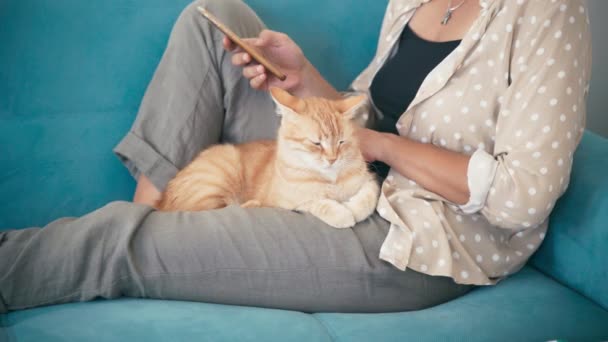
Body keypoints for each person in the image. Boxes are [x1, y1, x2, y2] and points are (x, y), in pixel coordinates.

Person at [0, 0, 591, 314]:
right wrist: (301, 77)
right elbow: (369, 116)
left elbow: (523, 197)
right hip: (343, 167)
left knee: (125, 246)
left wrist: (378, 146)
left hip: (412, 238)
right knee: (212, 22)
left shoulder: (545, 11)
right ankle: (153, 221)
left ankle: (98, 252)